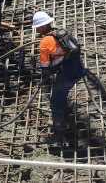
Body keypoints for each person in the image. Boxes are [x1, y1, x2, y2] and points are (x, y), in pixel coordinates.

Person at [35, 11, 86, 143]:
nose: (37, 31)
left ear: (41, 27)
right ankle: (66, 114)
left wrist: (45, 76)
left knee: (55, 101)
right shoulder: (62, 32)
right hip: (78, 69)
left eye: (37, 28)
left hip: (67, 74)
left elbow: (45, 66)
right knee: (62, 94)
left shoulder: (45, 43)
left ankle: (59, 131)